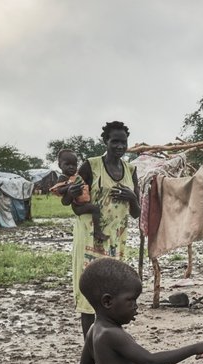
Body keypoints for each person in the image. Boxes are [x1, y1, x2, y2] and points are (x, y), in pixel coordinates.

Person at [69, 121, 141, 338]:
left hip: (116, 240)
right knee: (90, 294)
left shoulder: (131, 170)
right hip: (91, 238)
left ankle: (109, 342)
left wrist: (132, 197)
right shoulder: (91, 166)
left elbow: (136, 213)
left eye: (123, 142)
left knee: (115, 293)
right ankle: (91, 348)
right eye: (115, 141)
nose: (119, 146)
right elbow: (75, 205)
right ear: (106, 142)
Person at [51, 148, 105, 243]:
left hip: (82, 202)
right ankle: (97, 231)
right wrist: (69, 187)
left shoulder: (76, 177)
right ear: (60, 165)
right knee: (95, 209)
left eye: (74, 165)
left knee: (95, 209)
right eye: (67, 164)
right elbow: (60, 190)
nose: (71, 167)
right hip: (78, 206)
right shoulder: (63, 178)